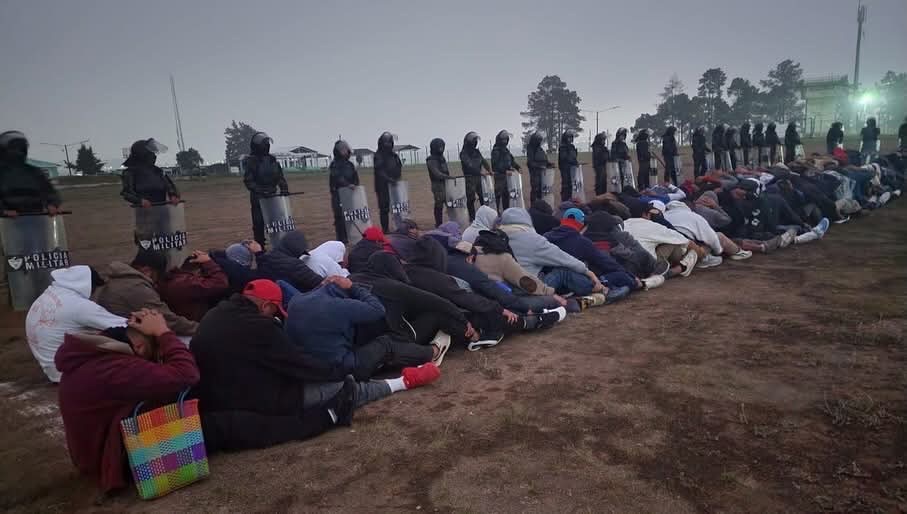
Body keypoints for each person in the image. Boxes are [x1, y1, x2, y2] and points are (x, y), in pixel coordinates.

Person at [189, 280, 355, 452]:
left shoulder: (213, 315)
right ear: (266, 306)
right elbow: (298, 363)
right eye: (274, 311)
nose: (274, 316)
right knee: (336, 386)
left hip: (211, 401)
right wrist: (338, 372)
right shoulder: (259, 326)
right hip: (246, 403)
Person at [56, 309, 199, 493]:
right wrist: (163, 332)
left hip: (94, 454)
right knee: (202, 422)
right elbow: (187, 374)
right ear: (139, 347)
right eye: (154, 352)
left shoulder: (96, 353)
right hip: (111, 462)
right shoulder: (117, 367)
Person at [403, 237, 561, 351]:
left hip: (412, 325)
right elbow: (466, 297)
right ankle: (534, 321)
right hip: (423, 327)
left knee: (483, 311)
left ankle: (529, 319)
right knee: (490, 315)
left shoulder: (407, 271)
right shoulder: (438, 277)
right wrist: (500, 309)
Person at [285, 275, 437, 380]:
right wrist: (353, 288)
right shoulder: (341, 305)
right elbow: (378, 309)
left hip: (307, 369)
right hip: (339, 371)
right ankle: (432, 352)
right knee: (386, 343)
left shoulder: (296, 301)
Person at [351, 251, 468, 356]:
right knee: (437, 315)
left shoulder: (352, 279)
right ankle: (471, 337)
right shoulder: (390, 286)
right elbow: (436, 301)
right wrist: (463, 320)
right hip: (394, 340)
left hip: (359, 344)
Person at [26, 266, 126, 383]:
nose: (94, 292)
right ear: (87, 285)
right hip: (69, 372)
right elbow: (123, 325)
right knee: (125, 344)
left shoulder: (49, 293)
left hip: (52, 367)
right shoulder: (78, 305)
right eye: (94, 287)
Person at [498, 208, 605, 299]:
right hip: (529, 289)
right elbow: (564, 259)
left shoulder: (496, 238)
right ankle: (594, 288)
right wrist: (588, 272)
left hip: (503, 290)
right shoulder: (533, 240)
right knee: (563, 272)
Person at [94, 249, 198, 336]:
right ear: (147, 271)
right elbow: (168, 321)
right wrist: (201, 329)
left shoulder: (121, 279)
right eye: (158, 276)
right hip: (126, 339)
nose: (156, 282)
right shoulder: (135, 287)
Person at [544, 208, 635, 300]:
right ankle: (608, 289)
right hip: (574, 284)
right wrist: (629, 275)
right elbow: (606, 262)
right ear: (581, 224)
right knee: (621, 276)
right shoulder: (581, 241)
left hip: (549, 282)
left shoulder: (545, 237)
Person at [583, 212, 662, 287]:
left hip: (597, 276)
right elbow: (628, 255)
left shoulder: (584, 239)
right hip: (616, 273)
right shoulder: (612, 240)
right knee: (642, 255)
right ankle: (652, 275)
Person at [622, 204, 699, 278]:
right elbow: (683, 240)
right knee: (673, 243)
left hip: (624, 267)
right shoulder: (652, 225)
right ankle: (676, 270)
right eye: (650, 214)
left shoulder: (622, 224)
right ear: (644, 214)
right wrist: (700, 252)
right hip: (645, 269)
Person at [664, 201, 752, 264]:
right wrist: (718, 251)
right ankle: (737, 252)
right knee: (718, 236)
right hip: (684, 252)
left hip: (666, 253)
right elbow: (712, 237)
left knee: (694, 239)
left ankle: (704, 257)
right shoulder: (694, 216)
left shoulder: (664, 216)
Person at [242, 132, 289, 247]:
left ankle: (279, 247)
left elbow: (280, 177)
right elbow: (249, 181)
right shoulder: (251, 161)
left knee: (276, 224)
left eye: (267, 143)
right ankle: (260, 249)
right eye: (264, 143)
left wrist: (284, 188)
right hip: (258, 199)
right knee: (259, 225)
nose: (267, 145)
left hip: (273, 197)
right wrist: (260, 191)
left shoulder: (272, 160)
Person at [0, 131, 62, 216]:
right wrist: (3, 211)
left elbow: (49, 191)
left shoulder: (34, 172)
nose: (18, 152)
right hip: (6, 221)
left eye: (21, 149)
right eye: (14, 148)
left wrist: (52, 204)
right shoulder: (2, 174)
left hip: (36, 218)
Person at [158, 251, 230, 322]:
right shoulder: (185, 283)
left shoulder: (171, 278)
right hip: (194, 325)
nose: (202, 279)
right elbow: (221, 283)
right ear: (197, 270)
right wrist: (208, 262)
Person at [256, 231, 324, 293]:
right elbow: (320, 283)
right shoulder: (295, 265)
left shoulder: (266, 258)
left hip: (273, 295)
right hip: (295, 298)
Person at [120, 138, 179, 206]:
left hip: (162, 209)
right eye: (151, 153)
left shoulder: (158, 171)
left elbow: (170, 186)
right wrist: (140, 201)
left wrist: (173, 196)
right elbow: (127, 193)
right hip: (143, 210)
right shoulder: (130, 173)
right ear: (142, 154)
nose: (154, 156)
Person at [329, 140, 360, 243]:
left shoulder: (350, 165)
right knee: (340, 217)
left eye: (346, 149)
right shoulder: (334, 165)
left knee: (350, 215)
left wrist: (355, 184)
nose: (345, 151)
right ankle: (341, 238)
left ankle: (348, 234)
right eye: (343, 149)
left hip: (349, 194)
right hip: (338, 195)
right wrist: (347, 185)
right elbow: (337, 177)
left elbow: (355, 177)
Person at [373, 131, 402, 233]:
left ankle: (399, 226)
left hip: (394, 185)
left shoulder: (394, 156)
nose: (388, 144)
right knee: (384, 208)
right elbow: (379, 170)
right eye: (386, 142)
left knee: (397, 206)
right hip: (382, 186)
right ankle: (385, 229)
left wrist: (397, 178)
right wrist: (389, 179)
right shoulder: (378, 156)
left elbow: (399, 166)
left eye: (389, 142)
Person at [459, 131, 490, 221]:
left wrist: (489, 170)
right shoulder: (463, 153)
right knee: (471, 199)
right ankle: (472, 218)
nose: (475, 142)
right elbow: (469, 165)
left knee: (483, 197)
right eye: (473, 140)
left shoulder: (477, 152)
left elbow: (483, 161)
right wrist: (480, 173)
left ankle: (484, 215)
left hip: (479, 178)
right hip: (470, 178)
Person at [491, 130, 521, 211]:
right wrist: (505, 171)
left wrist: (518, 167)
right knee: (498, 195)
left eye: (506, 139)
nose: (505, 141)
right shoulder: (496, 151)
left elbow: (511, 160)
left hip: (507, 176)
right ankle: (496, 212)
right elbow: (495, 165)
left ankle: (506, 211)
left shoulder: (506, 150)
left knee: (506, 195)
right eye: (503, 140)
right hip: (499, 176)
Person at [425, 138, 450, 227]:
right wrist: (447, 177)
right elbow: (436, 173)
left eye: (442, 147)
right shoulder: (431, 160)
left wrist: (448, 177)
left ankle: (452, 221)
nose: (441, 149)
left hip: (446, 183)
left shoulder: (441, 158)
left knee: (449, 202)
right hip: (437, 185)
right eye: (439, 147)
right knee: (439, 204)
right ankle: (439, 223)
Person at [526, 131, 552, 202]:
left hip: (543, 173)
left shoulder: (540, 149)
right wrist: (539, 166)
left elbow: (544, 160)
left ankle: (540, 204)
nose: (539, 142)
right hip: (535, 173)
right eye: (538, 140)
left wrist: (549, 164)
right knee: (535, 189)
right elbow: (530, 163)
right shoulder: (530, 149)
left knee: (542, 190)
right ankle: (534, 205)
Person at [558, 130, 579, 201]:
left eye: (571, 137)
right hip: (565, 169)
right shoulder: (562, 147)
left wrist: (576, 162)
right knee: (566, 185)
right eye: (568, 137)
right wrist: (572, 161)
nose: (570, 139)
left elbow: (574, 157)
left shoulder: (572, 146)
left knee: (571, 185)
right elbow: (564, 157)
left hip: (572, 168)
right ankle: (565, 200)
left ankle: (570, 199)